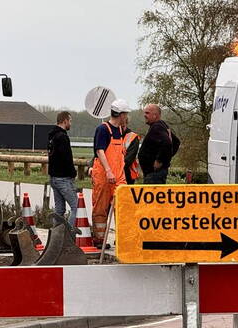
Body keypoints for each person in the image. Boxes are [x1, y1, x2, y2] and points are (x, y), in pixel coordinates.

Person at [90, 99, 138, 246]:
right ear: (120, 114)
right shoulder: (103, 129)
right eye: (125, 114)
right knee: (100, 207)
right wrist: (108, 171)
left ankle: (123, 238)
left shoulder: (121, 131)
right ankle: (99, 239)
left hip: (119, 175)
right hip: (104, 175)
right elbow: (100, 151)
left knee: (123, 206)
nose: (127, 117)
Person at [47, 111, 79, 228]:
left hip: (54, 177)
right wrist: (73, 172)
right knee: (76, 207)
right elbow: (67, 158)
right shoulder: (62, 137)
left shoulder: (52, 136)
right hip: (63, 178)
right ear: (65, 121)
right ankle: (69, 235)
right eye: (70, 121)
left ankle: (57, 236)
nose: (70, 123)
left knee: (59, 210)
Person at [138, 104, 180, 184]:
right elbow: (176, 142)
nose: (144, 115)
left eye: (147, 113)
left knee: (151, 196)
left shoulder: (157, 127)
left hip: (154, 176)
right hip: (155, 174)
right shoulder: (162, 125)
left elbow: (167, 143)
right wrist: (166, 159)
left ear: (155, 115)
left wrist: (160, 160)